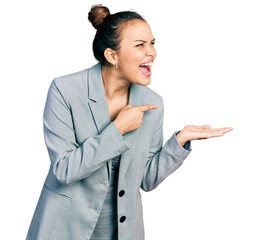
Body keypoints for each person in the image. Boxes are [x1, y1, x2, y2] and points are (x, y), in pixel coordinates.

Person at [26, 4, 233, 240]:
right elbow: (64, 170)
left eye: (152, 43)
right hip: (65, 228)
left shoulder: (152, 102)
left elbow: (145, 179)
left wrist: (179, 141)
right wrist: (119, 128)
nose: (152, 52)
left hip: (122, 232)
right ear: (112, 55)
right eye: (140, 45)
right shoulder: (65, 91)